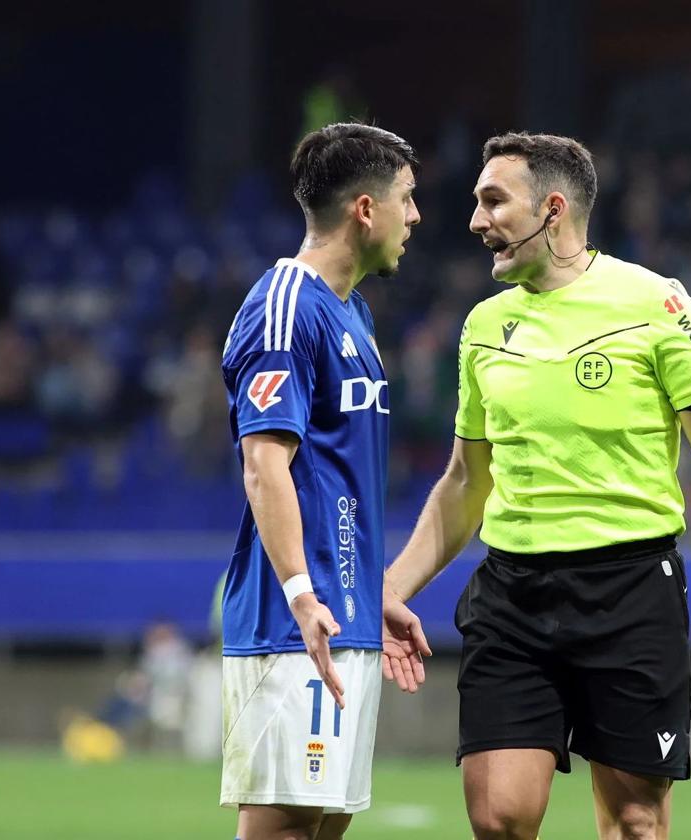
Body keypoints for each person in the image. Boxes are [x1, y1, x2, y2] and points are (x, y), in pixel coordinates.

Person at [381, 133, 691, 839]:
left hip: (630, 591)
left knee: (637, 822)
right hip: (513, 597)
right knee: (498, 818)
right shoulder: (483, 326)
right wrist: (389, 589)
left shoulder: (659, 304)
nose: (474, 220)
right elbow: (466, 481)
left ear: (552, 209)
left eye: (493, 201)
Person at [220, 122, 431, 840]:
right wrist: (303, 593)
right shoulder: (286, 305)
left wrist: (369, 595)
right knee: (282, 829)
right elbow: (264, 462)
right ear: (364, 209)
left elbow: (336, 474)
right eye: (407, 198)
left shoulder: (354, 312)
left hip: (345, 615)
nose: (417, 217)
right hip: (295, 623)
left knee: (322, 829)